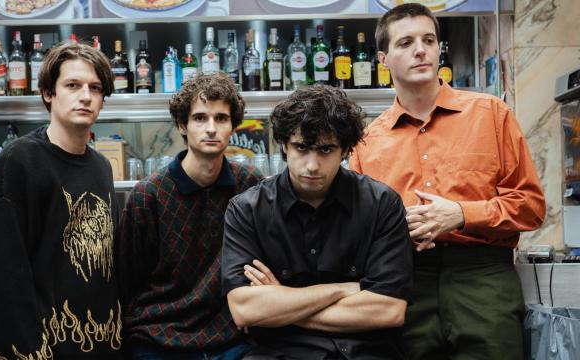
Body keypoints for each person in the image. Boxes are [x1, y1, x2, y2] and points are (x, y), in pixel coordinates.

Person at [349, 3, 546, 359]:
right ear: (382, 59)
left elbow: (531, 207)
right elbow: (354, 232)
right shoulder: (366, 142)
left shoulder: (491, 114)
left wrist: (461, 214)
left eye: (428, 39)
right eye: (405, 42)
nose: (421, 50)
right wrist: (396, 232)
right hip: (404, 284)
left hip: (483, 279)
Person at [222, 85, 414, 360]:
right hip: (279, 355)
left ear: (345, 150)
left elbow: (389, 310)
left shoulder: (382, 204)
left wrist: (282, 303)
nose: (312, 165)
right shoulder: (247, 210)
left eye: (325, 150)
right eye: (302, 147)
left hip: (367, 353)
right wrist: (343, 289)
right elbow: (245, 310)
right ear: (284, 145)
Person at [0, 42, 122, 359]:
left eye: (95, 88)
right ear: (47, 93)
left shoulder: (101, 167)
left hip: (96, 344)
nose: (85, 96)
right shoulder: (18, 162)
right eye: (72, 85)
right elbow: (1, 277)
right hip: (40, 351)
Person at [117, 72, 262, 359]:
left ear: (233, 125)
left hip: (231, 339)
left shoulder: (250, 184)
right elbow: (125, 281)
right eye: (200, 118)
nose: (211, 128)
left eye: (221, 118)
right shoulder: (149, 195)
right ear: (182, 125)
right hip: (159, 338)